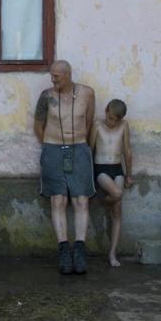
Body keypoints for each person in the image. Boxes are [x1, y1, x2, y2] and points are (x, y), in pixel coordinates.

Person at [34, 60, 96, 275]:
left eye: (56, 76)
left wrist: (79, 144)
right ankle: (63, 250)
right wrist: (50, 145)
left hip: (78, 148)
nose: (53, 80)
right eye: (51, 76)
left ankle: (79, 250)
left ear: (68, 75)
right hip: (53, 148)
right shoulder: (46, 96)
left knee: (81, 199)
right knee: (58, 199)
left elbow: (89, 123)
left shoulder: (87, 93)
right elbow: (38, 124)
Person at [89, 99, 132, 267]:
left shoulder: (124, 126)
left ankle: (112, 253)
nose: (112, 122)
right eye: (110, 118)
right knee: (117, 194)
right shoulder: (98, 125)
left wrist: (129, 174)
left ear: (120, 119)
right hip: (101, 169)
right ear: (105, 111)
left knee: (117, 210)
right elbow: (89, 149)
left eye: (115, 120)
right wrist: (89, 176)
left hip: (117, 168)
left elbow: (127, 151)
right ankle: (101, 200)